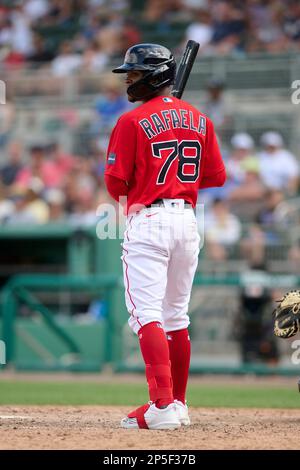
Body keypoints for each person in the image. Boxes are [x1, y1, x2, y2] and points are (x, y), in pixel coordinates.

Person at [104, 43, 226, 430]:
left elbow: (114, 183)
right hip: (188, 221)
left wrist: (149, 176)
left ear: (154, 76)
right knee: (176, 316)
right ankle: (178, 404)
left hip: (149, 220)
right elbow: (215, 177)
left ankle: (160, 407)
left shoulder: (131, 121)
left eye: (134, 73)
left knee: (147, 316)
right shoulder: (200, 119)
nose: (129, 79)